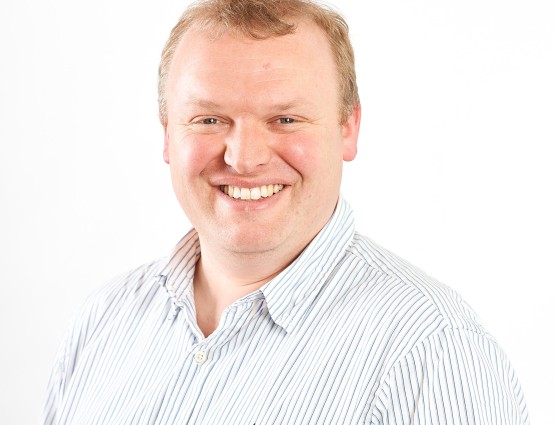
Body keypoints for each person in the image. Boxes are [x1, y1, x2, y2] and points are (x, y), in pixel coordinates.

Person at [40, 0, 529, 423]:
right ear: (168, 134)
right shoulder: (104, 319)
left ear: (348, 128)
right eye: (209, 119)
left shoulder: (434, 352)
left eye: (285, 119)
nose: (243, 158)